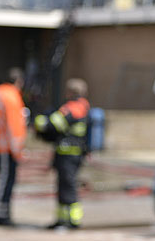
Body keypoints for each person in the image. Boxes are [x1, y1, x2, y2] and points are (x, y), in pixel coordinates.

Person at [34, 78, 90, 229]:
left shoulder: (73, 107)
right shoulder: (84, 106)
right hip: (72, 154)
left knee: (68, 185)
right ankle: (62, 219)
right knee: (64, 186)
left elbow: (54, 124)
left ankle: (72, 220)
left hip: (68, 154)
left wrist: (39, 120)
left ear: (71, 92)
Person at [0, 67, 27, 226]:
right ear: (19, 81)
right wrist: (17, 150)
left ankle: (0, 213)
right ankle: (1, 215)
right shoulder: (12, 96)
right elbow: (14, 126)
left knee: (2, 179)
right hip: (7, 148)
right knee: (5, 181)